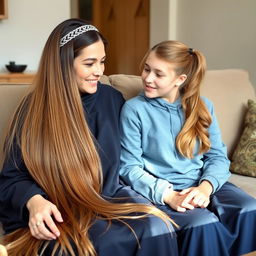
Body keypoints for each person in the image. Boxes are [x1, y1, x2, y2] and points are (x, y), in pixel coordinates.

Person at [0, 19, 179, 256]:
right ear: (63, 65)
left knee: (158, 226)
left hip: (110, 200)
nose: (99, 71)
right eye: (89, 63)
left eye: (102, 61)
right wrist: (34, 201)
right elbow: (11, 178)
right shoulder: (32, 111)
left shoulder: (113, 100)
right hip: (61, 209)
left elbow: (141, 153)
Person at [119, 40, 256, 256]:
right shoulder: (134, 110)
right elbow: (129, 167)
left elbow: (218, 157)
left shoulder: (203, 107)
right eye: (146, 69)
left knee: (249, 208)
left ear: (180, 80)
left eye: (158, 74)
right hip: (165, 190)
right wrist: (170, 196)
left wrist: (205, 188)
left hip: (201, 183)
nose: (147, 78)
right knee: (202, 224)